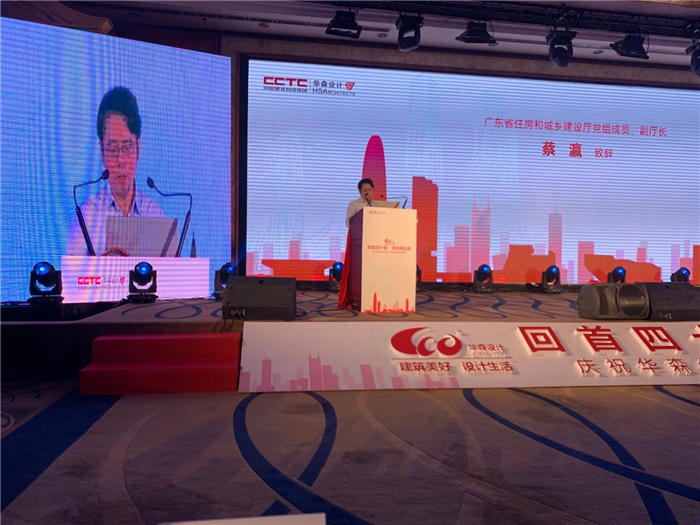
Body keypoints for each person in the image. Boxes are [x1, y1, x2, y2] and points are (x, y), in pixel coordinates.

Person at [66, 87, 164, 255]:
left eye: (127, 147)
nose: (120, 160)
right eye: (112, 149)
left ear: (138, 148)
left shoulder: (154, 213)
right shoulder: (87, 216)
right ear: (102, 151)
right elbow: (72, 272)